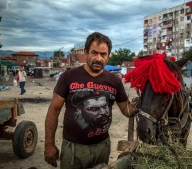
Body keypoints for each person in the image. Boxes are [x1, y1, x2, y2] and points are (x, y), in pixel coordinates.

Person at [44, 32, 137, 169]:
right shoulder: (69, 76)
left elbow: (126, 109)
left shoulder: (114, 81)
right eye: (94, 53)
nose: (98, 58)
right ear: (86, 52)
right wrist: (49, 144)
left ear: (108, 56)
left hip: (102, 147)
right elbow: (54, 110)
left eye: (103, 54)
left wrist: (140, 104)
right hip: (74, 149)